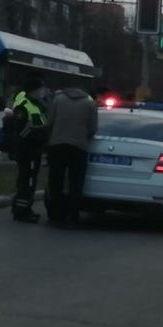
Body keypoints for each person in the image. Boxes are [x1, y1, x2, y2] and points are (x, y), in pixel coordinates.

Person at [45, 86, 98, 228]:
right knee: (76, 182)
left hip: (57, 145)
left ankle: (55, 215)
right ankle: (73, 216)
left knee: (56, 181)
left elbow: (49, 122)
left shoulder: (58, 99)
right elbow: (93, 128)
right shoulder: (90, 103)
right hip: (78, 147)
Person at [10, 76, 50, 223]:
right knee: (27, 181)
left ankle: (24, 207)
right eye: (41, 88)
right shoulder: (23, 105)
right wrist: (40, 133)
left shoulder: (37, 104)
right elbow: (21, 131)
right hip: (27, 150)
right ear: (34, 90)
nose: (43, 91)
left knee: (30, 180)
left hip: (35, 149)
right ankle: (22, 211)